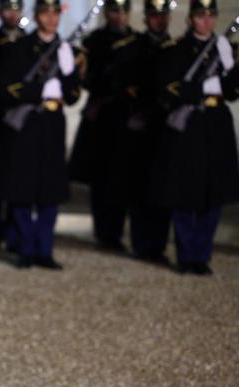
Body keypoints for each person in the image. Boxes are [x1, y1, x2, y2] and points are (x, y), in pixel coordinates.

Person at [0, 0, 82, 269]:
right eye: (46, 12)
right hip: (26, 122)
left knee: (50, 190)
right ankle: (25, 248)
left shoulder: (65, 49)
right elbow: (6, 88)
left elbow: (73, 93)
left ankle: (45, 250)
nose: (51, 18)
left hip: (52, 123)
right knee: (22, 188)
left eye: (56, 13)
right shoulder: (19, 48)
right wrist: (40, 90)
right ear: (37, 15)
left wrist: (67, 75)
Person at [150, 0, 239, 275]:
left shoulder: (224, 47)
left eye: (211, 16)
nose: (207, 22)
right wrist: (208, 86)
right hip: (189, 126)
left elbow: (232, 92)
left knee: (212, 194)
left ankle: (202, 254)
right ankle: (186, 254)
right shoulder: (176, 49)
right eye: (201, 16)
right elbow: (170, 90)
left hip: (216, 124)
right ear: (191, 20)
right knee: (186, 193)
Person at [69, 0, 137, 252]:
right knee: (100, 178)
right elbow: (87, 79)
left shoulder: (136, 41)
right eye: (114, 11)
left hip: (126, 116)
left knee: (121, 178)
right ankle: (103, 231)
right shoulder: (94, 42)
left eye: (123, 11)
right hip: (103, 117)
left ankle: (116, 232)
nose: (119, 16)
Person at [119, 0, 175, 263]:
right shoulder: (134, 47)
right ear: (146, 18)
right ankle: (142, 243)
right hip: (141, 124)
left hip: (166, 126)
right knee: (140, 188)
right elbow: (126, 83)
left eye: (163, 15)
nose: (159, 21)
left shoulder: (176, 48)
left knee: (164, 189)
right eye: (154, 16)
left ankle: (158, 245)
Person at [0, 0, 28, 254]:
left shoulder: (28, 43)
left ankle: (15, 237)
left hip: (19, 122)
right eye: (8, 9)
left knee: (18, 182)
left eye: (16, 8)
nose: (12, 14)